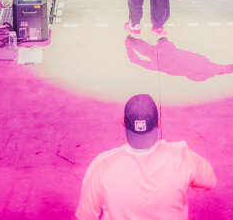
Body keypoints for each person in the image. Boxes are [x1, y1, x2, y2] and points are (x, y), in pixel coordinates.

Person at [75, 93, 217, 220]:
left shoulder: (102, 166)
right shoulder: (182, 157)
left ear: (124, 124)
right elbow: (209, 180)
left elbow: (86, 216)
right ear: (158, 124)